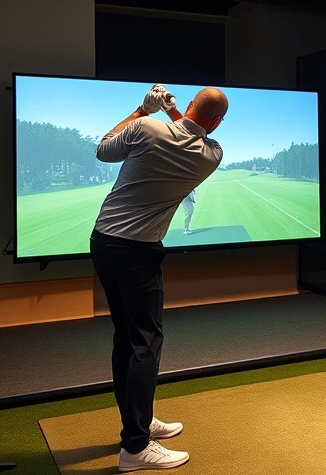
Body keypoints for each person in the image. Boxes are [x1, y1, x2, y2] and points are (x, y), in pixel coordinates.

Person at [90, 84, 228, 472]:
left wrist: (142, 109)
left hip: (103, 242)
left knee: (127, 337)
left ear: (189, 104)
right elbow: (192, 132)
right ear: (217, 122)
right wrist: (170, 113)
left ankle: (140, 420)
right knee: (145, 344)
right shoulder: (212, 155)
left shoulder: (145, 128)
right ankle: (135, 448)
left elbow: (103, 149)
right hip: (138, 253)